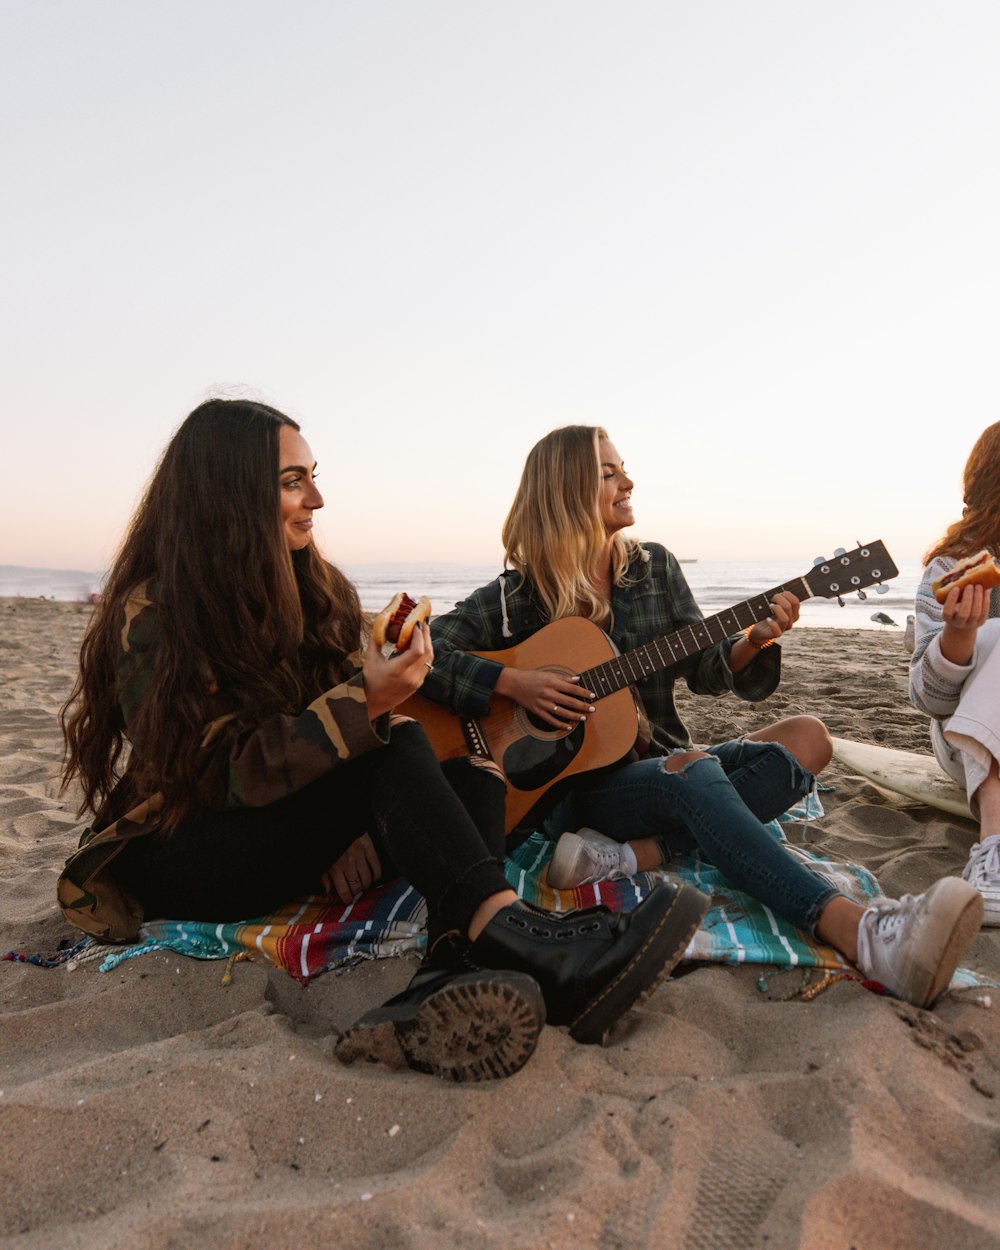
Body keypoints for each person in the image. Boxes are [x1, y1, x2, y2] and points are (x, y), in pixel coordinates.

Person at [57, 400, 710, 1084]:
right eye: (291, 481)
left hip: (282, 822)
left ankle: (444, 976)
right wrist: (369, 702)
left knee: (475, 771)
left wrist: (358, 822)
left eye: (312, 476)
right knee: (396, 738)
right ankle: (523, 940)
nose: (316, 497)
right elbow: (221, 775)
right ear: (230, 494)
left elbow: (339, 742)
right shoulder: (154, 613)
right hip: (191, 850)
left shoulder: (310, 588)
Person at [422, 425, 983, 1009]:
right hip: (575, 792)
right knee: (693, 772)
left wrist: (754, 641)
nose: (628, 481)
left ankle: (633, 857)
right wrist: (515, 682)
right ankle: (857, 929)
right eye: (609, 473)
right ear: (565, 490)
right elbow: (420, 653)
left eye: (623, 468)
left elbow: (708, 669)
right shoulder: (517, 598)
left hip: (661, 762)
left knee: (810, 738)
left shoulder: (654, 569)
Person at [910, 420, 1000, 924]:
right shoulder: (951, 568)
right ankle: (995, 851)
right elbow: (930, 701)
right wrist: (959, 638)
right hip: (966, 742)